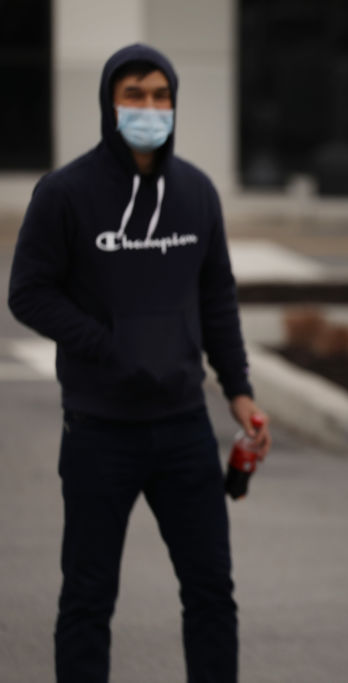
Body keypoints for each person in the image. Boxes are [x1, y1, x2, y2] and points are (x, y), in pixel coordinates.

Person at [7, 44, 270, 682]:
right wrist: (106, 343)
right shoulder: (65, 192)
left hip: (183, 426)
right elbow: (28, 293)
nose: (149, 108)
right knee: (88, 600)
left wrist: (238, 390)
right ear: (110, 102)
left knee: (211, 593)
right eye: (135, 95)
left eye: (160, 96)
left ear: (174, 104)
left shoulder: (197, 194)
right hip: (99, 429)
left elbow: (217, 298)